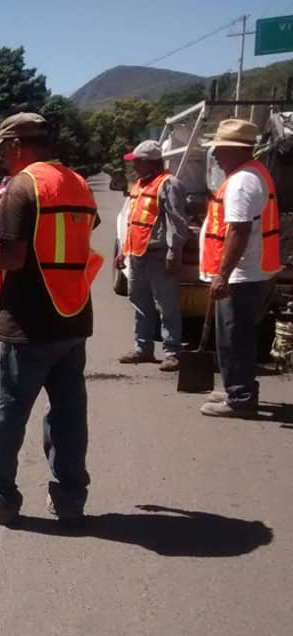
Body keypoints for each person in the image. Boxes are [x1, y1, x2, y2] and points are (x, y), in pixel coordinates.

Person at [0, 112, 100, 525]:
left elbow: (11, 257)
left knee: (7, 413)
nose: (2, 160)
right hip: (72, 317)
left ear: (16, 145)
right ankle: (70, 500)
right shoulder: (78, 183)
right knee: (69, 416)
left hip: (30, 324)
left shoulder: (23, 186)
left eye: (3, 151)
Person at [198, 118, 282, 418]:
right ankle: (237, 387)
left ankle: (240, 398)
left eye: (219, 148)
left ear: (236, 150)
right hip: (253, 272)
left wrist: (222, 275)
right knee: (240, 336)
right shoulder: (252, 174)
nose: (216, 154)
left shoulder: (242, 182)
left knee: (234, 338)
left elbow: (239, 231)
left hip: (242, 276)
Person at [116, 140, 189, 371]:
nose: (134, 165)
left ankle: (172, 351)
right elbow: (133, 221)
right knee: (140, 303)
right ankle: (143, 348)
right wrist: (122, 251)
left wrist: (174, 252)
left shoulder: (169, 184)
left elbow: (177, 221)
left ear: (149, 162)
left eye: (137, 161)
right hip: (137, 255)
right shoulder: (140, 184)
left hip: (159, 255)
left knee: (167, 305)